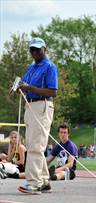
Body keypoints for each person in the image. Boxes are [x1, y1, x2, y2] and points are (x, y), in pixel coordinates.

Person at [16, 37, 58, 194]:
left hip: (42, 105)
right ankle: (44, 180)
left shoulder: (49, 67)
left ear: (44, 49)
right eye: (32, 49)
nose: (35, 52)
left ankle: (34, 183)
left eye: (37, 49)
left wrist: (30, 88)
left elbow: (53, 91)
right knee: (34, 144)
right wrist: (18, 87)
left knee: (35, 145)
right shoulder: (32, 67)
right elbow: (25, 85)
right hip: (31, 105)